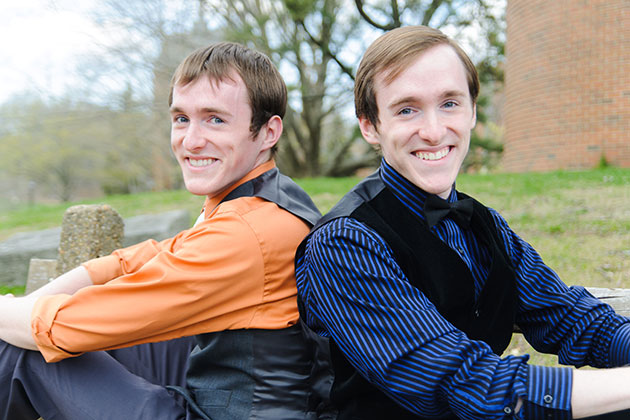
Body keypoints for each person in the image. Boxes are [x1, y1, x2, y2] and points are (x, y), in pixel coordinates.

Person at [295, 25, 630, 419]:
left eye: (450, 103)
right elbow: (466, 384)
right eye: (407, 109)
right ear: (371, 126)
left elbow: (573, 317)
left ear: (472, 111)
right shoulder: (343, 243)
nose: (434, 131)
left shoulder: (484, 225)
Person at [0, 42, 328, 420]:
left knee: (26, 353)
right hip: (232, 391)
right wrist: (24, 305)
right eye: (181, 119)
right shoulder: (263, 201)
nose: (190, 141)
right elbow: (128, 263)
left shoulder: (247, 232)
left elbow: (63, 328)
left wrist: (9, 311)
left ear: (268, 132)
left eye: (215, 119)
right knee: (44, 333)